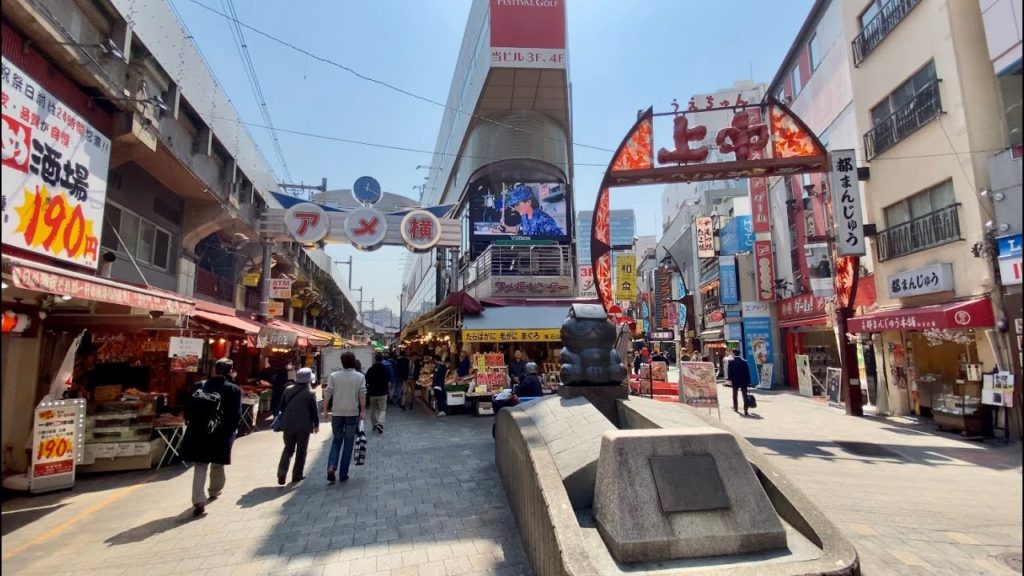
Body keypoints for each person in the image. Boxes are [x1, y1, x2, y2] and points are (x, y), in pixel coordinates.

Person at [180, 358, 242, 516]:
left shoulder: (199, 386)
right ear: (230, 371)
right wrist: (233, 431)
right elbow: (236, 415)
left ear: (215, 369)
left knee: (200, 465)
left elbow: (188, 408)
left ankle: (198, 501)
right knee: (217, 462)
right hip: (221, 432)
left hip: (197, 431)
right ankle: (214, 490)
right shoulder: (233, 389)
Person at [324, 352, 366, 483]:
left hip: (337, 413)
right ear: (354, 362)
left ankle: (331, 466)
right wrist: (362, 411)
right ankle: (343, 473)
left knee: (336, 440)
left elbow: (328, 392)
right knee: (348, 444)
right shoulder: (359, 377)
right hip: (352, 413)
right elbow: (362, 394)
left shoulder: (334, 376)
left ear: (342, 362)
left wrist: (325, 409)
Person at [276, 368, 319, 485]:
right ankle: (297, 475)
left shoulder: (287, 390)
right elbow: (314, 411)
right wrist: (316, 424)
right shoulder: (310, 393)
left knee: (288, 449)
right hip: (303, 426)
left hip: (288, 424)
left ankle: (281, 473)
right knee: (301, 451)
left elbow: (282, 406)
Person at [499, 183, 564, 236]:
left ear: (528, 202)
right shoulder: (524, 216)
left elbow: (559, 238)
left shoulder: (543, 219)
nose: (515, 207)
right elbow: (521, 229)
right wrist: (506, 229)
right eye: (514, 205)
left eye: (517, 204)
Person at [365, 354, 390, 434]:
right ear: (382, 359)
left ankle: (374, 424)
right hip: (383, 392)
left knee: (373, 409)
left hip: (372, 393)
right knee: (382, 409)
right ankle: (380, 423)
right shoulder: (385, 369)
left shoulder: (370, 369)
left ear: (375, 359)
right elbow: (388, 380)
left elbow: (367, 380)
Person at [727, 348, 752, 415]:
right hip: (744, 381)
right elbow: (747, 373)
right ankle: (746, 410)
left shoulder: (731, 362)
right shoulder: (744, 362)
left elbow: (730, 372)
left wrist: (729, 379)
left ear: (734, 353)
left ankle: (736, 408)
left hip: (735, 381)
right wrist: (749, 381)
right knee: (745, 395)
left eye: (732, 353)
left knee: (735, 395)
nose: (731, 354)